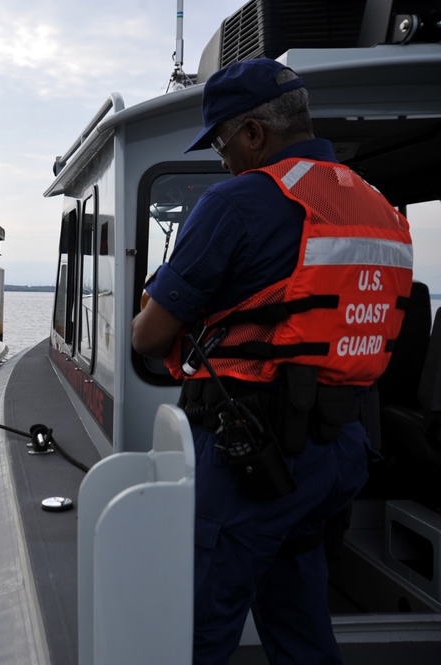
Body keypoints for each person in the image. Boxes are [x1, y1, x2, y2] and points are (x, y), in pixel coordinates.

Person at [131, 59, 413, 663]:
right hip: (340, 451)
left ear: (254, 133)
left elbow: (148, 337)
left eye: (221, 144)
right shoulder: (380, 206)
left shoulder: (238, 201)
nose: (222, 161)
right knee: (298, 617)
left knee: (194, 630)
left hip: (250, 457)